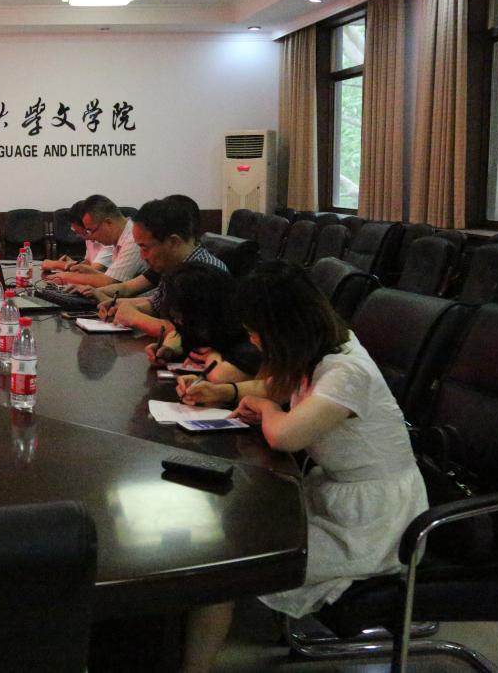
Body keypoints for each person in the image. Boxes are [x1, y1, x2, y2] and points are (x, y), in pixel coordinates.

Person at [178, 261, 428, 673]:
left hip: (373, 522)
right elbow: (278, 386)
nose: (252, 339)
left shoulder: (347, 371)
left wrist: (265, 408)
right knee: (225, 525)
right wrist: (224, 392)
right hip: (336, 495)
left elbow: (285, 436)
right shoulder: (324, 348)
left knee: (222, 564)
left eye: (256, 331)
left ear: (284, 328)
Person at [106, 197, 227, 337]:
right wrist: (121, 306)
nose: (142, 256)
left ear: (173, 242)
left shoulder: (204, 274)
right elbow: (157, 305)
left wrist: (135, 318)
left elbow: (191, 334)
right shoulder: (173, 265)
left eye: (145, 248)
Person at [144, 262, 259, 389]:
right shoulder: (201, 327)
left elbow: (221, 377)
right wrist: (168, 349)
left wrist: (211, 357)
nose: (179, 321)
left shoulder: (248, 335)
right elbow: (177, 335)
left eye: (181, 314)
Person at [42, 195, 143, 288]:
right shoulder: (120, 237)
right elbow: (111, 278)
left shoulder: (133, 240)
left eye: (91, 231)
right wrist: (87, 270)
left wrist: (66, 277)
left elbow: (110, 283)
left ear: (108, 223)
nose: (92, 237)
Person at [41, 199, 114, 273]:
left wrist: (57, 264)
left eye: (83, 233)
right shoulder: (88, 236)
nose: (79, 236)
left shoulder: (110, 241)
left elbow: (92, 271)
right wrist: (75, 264)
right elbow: (88, 262)